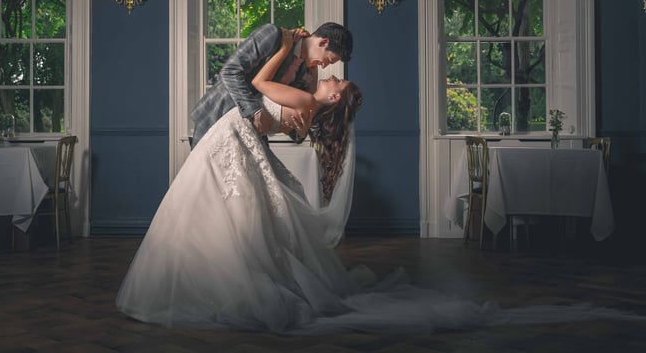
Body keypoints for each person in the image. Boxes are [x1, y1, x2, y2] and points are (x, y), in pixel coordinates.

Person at [117, 31, 644, 334]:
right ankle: (226, 275)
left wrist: (286, 58)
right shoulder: (305, 96)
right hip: (227, 130)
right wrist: (289, 55)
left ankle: (217, 280)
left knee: (225, 213)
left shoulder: (305, 97)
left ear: (332, 99)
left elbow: (256, 83)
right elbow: (246, 82)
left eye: (336, 78)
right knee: (234, 215)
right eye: (332, 65)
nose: (330, 72)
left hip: (235, 133)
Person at [189, 21, 353, 148]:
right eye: (328, 60)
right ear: (323, 42)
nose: (324, 66)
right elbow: (230, 71)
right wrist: (255, 110)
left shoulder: (305, 73)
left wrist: (301, 134)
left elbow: (293, 119)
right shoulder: (274, 36)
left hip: (248, 134)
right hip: (217, 116)